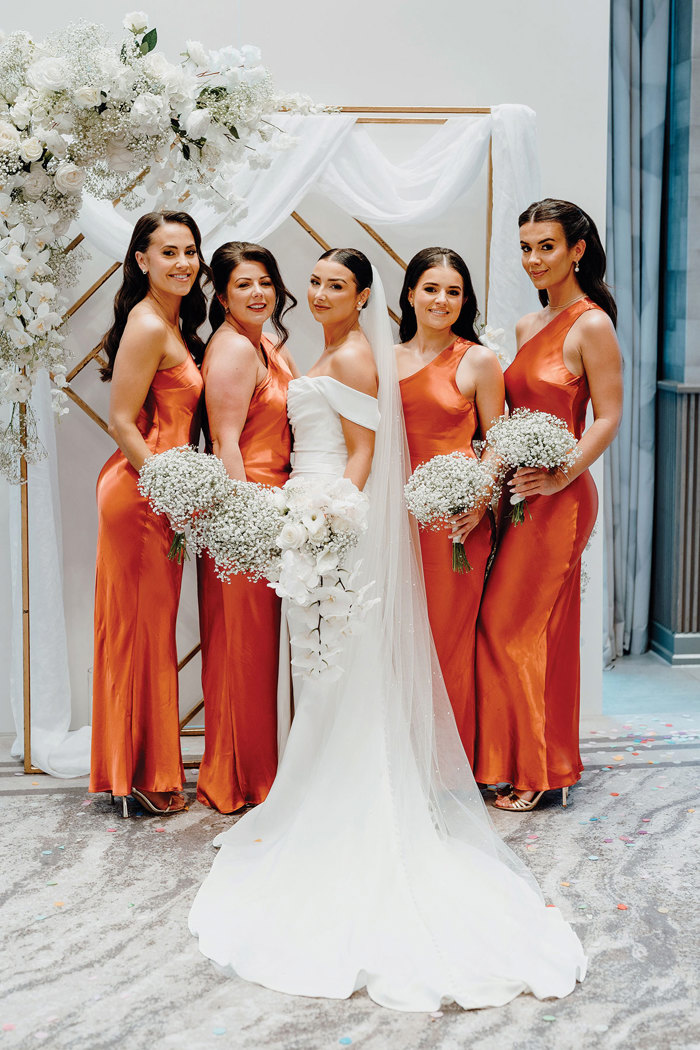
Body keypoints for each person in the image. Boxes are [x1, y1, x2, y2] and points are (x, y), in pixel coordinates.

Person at [189, 249, 586, 1011]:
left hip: (339, 515)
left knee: (366, 657)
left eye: (335, 284)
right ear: (405, 296)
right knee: (340, 662)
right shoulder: (331, 347)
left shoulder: (368, 352)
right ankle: (325, 779)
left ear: (366, 295)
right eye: (313, 281)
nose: (317, 291)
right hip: (339, 514)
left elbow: (370, 447)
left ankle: (389, 783)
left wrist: (328, 516)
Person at [474, 198, 623, 811]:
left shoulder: (591, 324)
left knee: (510, 629)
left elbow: (608, 416)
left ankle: (535, 773)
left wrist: (561, 476)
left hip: (560, 499)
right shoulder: (525, 327)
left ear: (577, 250)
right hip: (518, 494)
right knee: (525, 630)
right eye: (527, 248)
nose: (534, 259)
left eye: (547, 247)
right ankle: (535, 761)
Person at [89, 211, 210, 817]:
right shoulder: (145, 325)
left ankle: (138, 767)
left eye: (190, 250)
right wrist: (170, 486)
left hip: (159, 491)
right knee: (140, 632)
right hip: (141, 494)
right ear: (141, 259)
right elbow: (120, 421)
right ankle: (143, 775)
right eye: (169, 252)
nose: (183, 262)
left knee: (149, 630)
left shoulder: (170, 320)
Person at [196, 242, 297, 813]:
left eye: (265, 281)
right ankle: (240, 778)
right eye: (243, 286)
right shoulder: (233, 348)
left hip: (276, 506)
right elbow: (224, 441)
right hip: (247, 514)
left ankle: (264, 767)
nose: (258, 293)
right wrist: (244, 520)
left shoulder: (267, 342)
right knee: (242, 649)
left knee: (261, 651)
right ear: (223, 295)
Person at [396, 247, 504, 762]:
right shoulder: (383, 359)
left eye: (454, 291)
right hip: (395, 521)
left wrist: (481, 501)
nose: (442, 300)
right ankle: (401, 762)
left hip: (454, 524)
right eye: (432, 288)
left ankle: (446, 768)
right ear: (411, 293)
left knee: (446, 643)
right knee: (397, 641)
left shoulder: (477, 359)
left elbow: (497, 440)